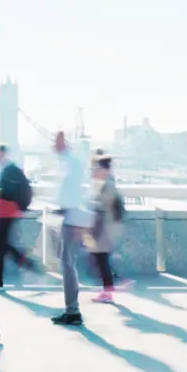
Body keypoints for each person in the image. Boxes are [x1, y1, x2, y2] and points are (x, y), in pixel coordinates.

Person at [50, 132, 93, 326]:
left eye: (56, 141)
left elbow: (71, 191)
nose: (53, 145)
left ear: (63, 143)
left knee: (68, 263)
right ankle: (72, 310)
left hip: (74, 218)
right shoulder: (69, 162)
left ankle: (73, 311)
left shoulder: (71, 162)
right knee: (67, 263)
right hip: (71, 217)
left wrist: (62, 206)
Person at [0, 144, 38, 287]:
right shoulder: (9, 169)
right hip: (8, 211)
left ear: (3, 154)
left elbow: (7, 192)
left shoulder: (9, 170)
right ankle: (24, 262)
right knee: (2, 245)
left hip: (6, 212)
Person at [88, 155, 128, 304]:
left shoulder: (108, 185)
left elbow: (102, 206)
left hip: (105, 228)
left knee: (101, 258)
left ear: (105, 169)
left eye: (97, 168)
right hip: (104, 227)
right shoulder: (105, 183)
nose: (95, 171)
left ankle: (109, 290)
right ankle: (109, 287)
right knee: (99, 258)